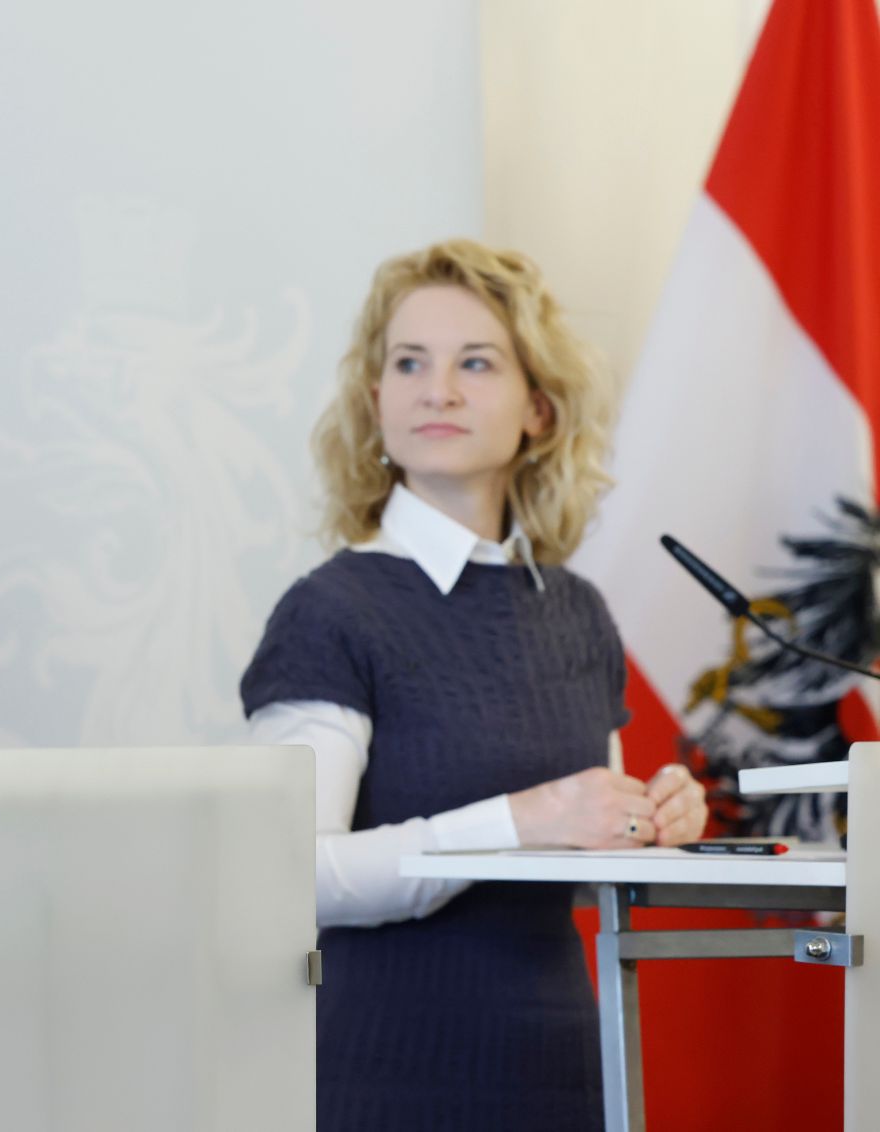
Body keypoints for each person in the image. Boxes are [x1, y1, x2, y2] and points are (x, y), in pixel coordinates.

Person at [240, 239, 707, 1130]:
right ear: (375, 399)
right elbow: (285, 875)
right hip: (386, 1079)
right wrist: (520, 821)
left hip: (562, 1072)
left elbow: (582, 863)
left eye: (476, 363)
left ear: (538, 407)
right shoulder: (331, 611)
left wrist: (649, 823)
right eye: (408, 363)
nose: (437, 390)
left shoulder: (577, 612)